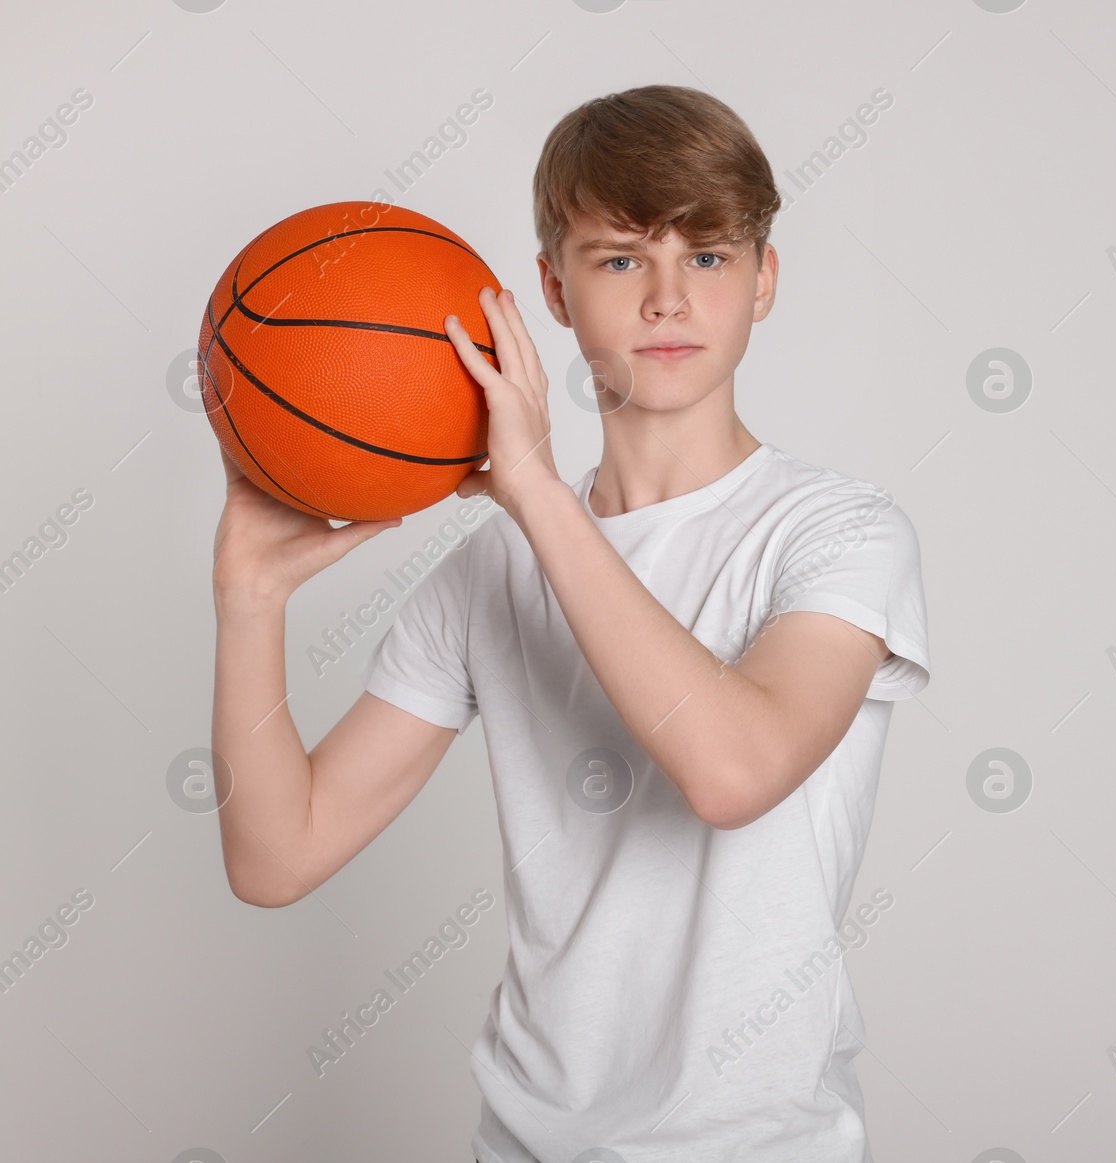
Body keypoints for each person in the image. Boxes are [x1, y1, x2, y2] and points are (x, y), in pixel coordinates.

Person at [209, 84, 931, 1163]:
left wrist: (535, 489)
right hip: (527, 1142)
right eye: (621, 257)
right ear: (550, 289)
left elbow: (733, 769)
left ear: (763, 281)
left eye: (710, 256)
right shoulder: (489, 571)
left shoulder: (836, 531)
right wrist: (248, 604)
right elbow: (276, 856)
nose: (668, 300)